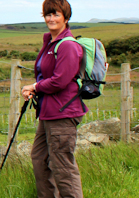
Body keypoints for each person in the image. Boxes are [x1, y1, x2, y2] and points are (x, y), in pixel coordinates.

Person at [19, 0, 86, 197]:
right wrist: (35, 89)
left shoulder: (68, 46)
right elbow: (47, 75)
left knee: (63, 166)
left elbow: (60, 81)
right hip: (49, 111)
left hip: (63, 112)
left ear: (66, 17)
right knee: (39, 159)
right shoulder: (50, 42)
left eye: (56, 14)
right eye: (48, 14)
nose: (51, 19)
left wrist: (35, 86)